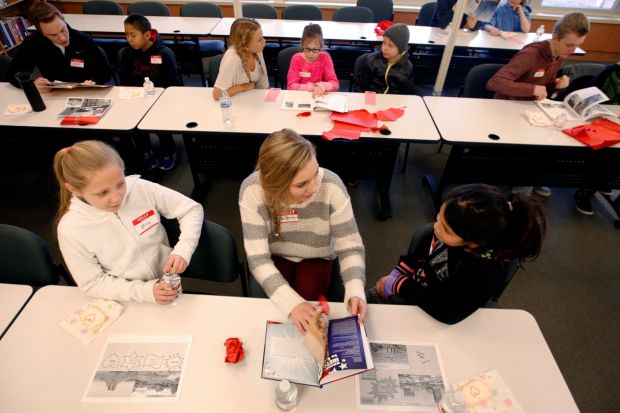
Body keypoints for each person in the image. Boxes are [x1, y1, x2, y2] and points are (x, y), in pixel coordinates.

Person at [239, 129, 367, 333]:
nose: (314, 188)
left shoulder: (331, 185)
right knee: (280, 313)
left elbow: (350, 247)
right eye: (301, 185)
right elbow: (258, 259)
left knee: (309, 304)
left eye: (315, 174)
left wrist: (355, 289)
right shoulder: (252, 192)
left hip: (318, 256)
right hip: (277, 256)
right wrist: (292, 305)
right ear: (276, 186)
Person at [368, 184, 546, 325]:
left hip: (431, 312)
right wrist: (399, 273)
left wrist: (401, 285)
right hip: (413, 292)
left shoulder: (485, 272)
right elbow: (420, 254)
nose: (436, 228)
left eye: (445, 228)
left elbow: (447, 312)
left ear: (474, 241)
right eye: (439, 217)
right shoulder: (446, 234)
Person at [54, 140, 204, 304]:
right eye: (103, 193)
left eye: (120, 183)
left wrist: (183, 249)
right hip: (125, 299)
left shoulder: (139, 188)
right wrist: (145, 292)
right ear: (74, 189)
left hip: (166, 284)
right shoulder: (71, 229)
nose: (118, 197)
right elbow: (92, 283)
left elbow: (191, 209)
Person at [487, 12, 590, 198]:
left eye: (577, 46)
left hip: (529, 110)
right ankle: (520, 193)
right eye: (569, 45)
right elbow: (495, 82)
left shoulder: (558, 55)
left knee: (556, 139)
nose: (573, 50)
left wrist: (554, 84)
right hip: (506, 109)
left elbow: (543, 85)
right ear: (555, 37)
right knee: (537, 146)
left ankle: (530, 179)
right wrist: (532, 89)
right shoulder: (531, 54)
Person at [118, 13, 181, 171]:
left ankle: (169, 151)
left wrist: (159, 94)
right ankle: (147, 151)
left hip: (160, 97)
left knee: (160, 123)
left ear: (147, 35)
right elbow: (124, 80)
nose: (129, 39)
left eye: (133, 35)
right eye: (126, 34)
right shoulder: (126, 54)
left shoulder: (164, 53)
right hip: (137, 97)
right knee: (134, 123)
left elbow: (174, 82)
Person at [7, 1, 110, 93]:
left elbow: (103, 73)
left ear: (64, 21)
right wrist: (32, 83)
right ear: (42, 33)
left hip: (83, 92)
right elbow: (13, 74)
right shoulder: (33, 42)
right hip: (53, 93)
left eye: (63, 30)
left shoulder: (84, 40)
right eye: (53, 35)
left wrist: (93, 82)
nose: (62, 38)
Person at [573, 61, 620, 215]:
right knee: (604, 148)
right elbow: (595, 97)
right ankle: (585, 191)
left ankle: (604, 180)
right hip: (600, 118)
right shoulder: (613, 72)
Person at [212, 18, 269, 101]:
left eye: (262, 37)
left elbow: (264, 86)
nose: (264, 41)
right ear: (246, 46)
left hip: (249, 103)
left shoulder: (257, 51)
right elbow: (217, 94)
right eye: (259, 40)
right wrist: (241, 87)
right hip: (234, 105)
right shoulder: (232, 58)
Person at [353, 23, 415, 95]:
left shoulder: (407, 67)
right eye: (384, 43)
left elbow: (408, 93)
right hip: (371, 101)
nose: (384, 48)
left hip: (393, 102)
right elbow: (359, 87)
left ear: (400, 49)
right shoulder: (371, 61)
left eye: (390, 45)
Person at [287, 24, 339, 97]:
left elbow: (335, 84)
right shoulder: (296, 59)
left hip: (320, 96)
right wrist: (312, 87)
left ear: (321, 46)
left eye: (315, 49)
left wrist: (321, 86)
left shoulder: (325, 58)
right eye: (307, 49)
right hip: (301, 96)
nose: (311, 54)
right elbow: (291, 86)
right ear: (302, 45)